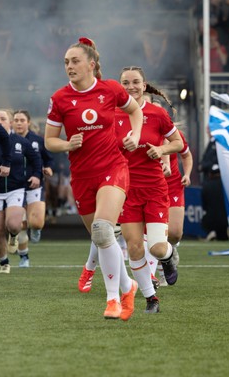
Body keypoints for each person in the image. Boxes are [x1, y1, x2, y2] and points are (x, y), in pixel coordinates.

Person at [44, 37, 143, 321]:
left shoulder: (110, 88)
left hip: (113, 167)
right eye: (66, 62)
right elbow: (50, 141)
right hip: (82, 176)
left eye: (74, 61)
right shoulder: (60, 98)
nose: (69, 66)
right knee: (102, 239)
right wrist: (67, 145)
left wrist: (134, 135)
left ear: (91, 64)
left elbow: (135, 111)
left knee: (102, 230)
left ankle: (113, 300)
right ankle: (128, 286)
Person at [115, 66, 183, 313]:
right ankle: (151, 298)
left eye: (135, 82)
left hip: (154, 188)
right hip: (126, 190)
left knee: (155, 246)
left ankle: (168, 256)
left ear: (144, 86)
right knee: (133, 247)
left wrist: (162, 150)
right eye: (125, 82)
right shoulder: (113, 115)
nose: (130, 86)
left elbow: (178, 143)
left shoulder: (157, 114)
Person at [0, 109, 41, 273]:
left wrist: (37, 175)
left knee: (13, 224)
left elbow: (36, 159)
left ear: (10, 122)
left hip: (16, 189)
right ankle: (4, 262)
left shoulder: (19, 141)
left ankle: (14, 235)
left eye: (3, 118)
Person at [157, 128, 193, 286]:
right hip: (151, 185)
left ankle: (170, 249)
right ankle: (161, 270)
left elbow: (186, 155)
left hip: (173, 185)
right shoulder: (137, 132)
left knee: (175, 233)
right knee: (154, 234)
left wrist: (187, 174)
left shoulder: (174, 134)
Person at [12, 109, 54, 243]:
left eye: (22, 120)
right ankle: (23, 254)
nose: (19, 123)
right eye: (16, 120)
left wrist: (48, 167)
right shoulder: (7, 141)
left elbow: (48, 158)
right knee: (19, 224)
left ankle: (36, 228)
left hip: (34, 185)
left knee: (36, 223)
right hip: (15, 186)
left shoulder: (38, 140)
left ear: (28, 122)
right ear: (12, 123)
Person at [199, 128, 229, 241]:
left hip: (217, 180)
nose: (208, 130)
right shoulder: (211, 142)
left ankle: (221, 232)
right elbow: (204, 162)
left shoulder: (219, 143)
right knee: (209, 206)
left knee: (218, 209)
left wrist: (207, 166)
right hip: (209, 181)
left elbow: (215, 162)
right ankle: (214, 231)